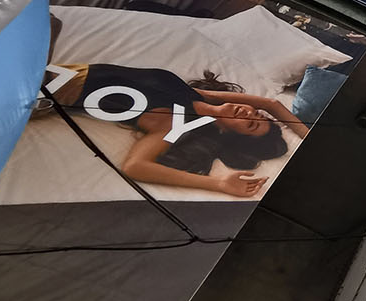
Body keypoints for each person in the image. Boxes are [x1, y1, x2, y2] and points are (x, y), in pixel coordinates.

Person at [44, 59, 309, 198]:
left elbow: (135, 166)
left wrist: (219, 184)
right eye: (257, 114)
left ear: (228, 133)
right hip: (63, 69)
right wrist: (314, 140)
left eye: (250, 124)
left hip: (53, 89)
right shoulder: (202, 97)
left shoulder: (174, 123)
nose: (249, 112)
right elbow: (273, 103)